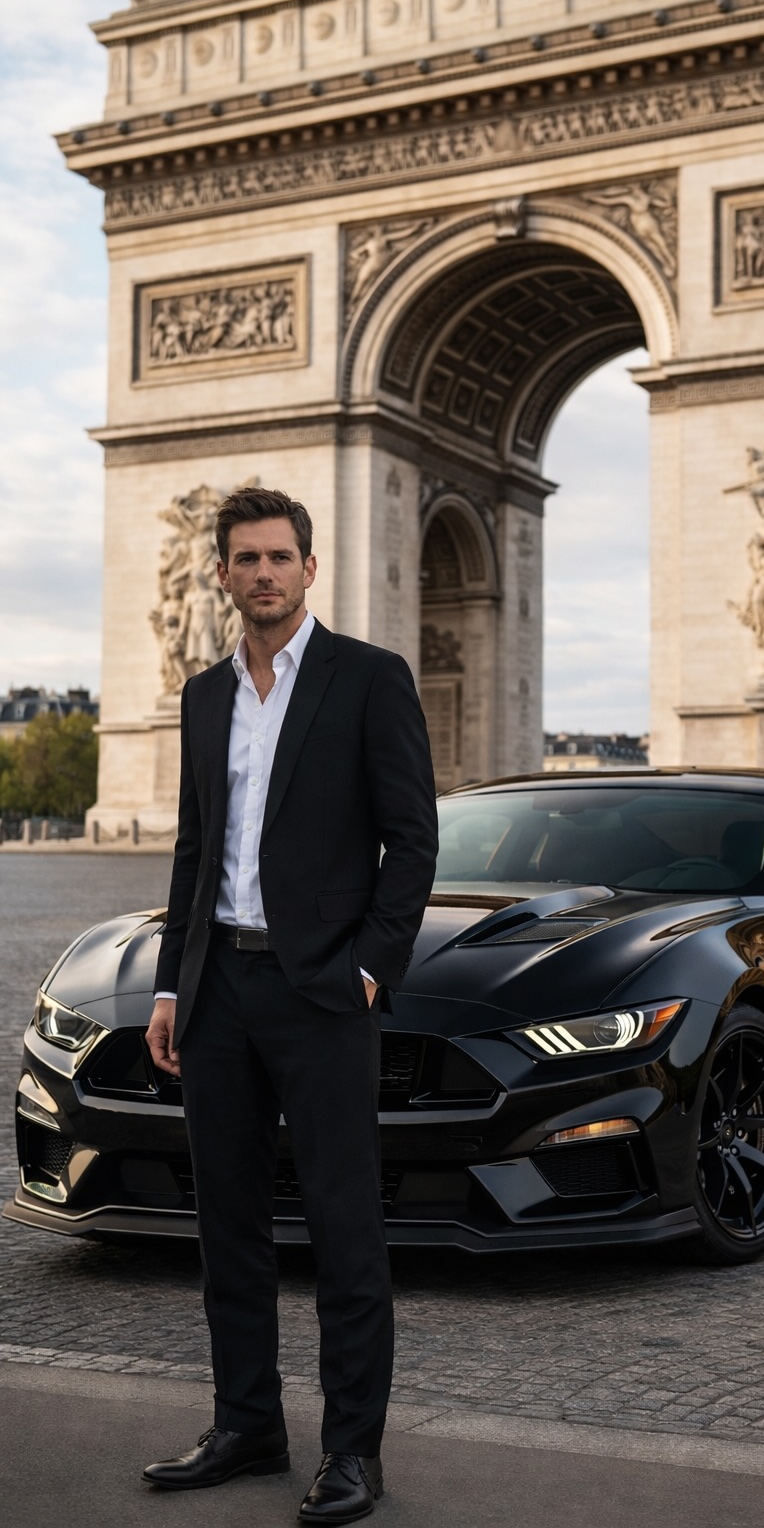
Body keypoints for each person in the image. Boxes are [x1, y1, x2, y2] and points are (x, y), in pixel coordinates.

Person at [142, 486, 438, 1523]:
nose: (262, 573)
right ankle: (246, 1425)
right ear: (220, 573)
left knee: (344, 1225)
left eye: (279, 557)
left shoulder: (369, 679)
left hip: (322, 993)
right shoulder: (202, 696)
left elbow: (414, 839)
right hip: (219, 986)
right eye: (244, 558)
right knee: (226, 1222)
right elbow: (194, 850)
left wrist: (369, 969)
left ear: (310, 568)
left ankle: (353, 1452)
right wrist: (173, 982)